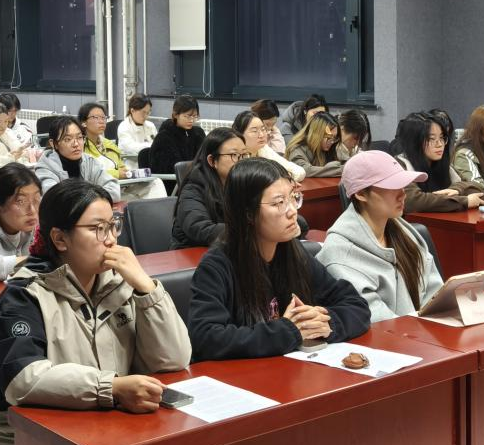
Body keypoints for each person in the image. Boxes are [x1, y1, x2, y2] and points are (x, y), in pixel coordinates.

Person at [0, 178, 191, 445]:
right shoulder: (23, 296)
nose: (111, 239)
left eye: (113, 226)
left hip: (108, 430)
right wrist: (112, 388)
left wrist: (146, 288)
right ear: (60, 239)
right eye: (97, 229)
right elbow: (22, 380)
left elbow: (173, 359)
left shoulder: (122, 284)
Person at [188, 158, 369, 361]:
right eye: (279, 203)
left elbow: (356, 305)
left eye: (293, 198)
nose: (293, 211)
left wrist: (326, 323)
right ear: (248, 214)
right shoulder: (217, 266)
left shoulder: (295, 252)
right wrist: (287, 331)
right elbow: (205, 338)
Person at [315, 151, 445, 322]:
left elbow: (436, 296)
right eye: (392, 186)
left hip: (424, 332)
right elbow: (377, 322)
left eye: (403, 185)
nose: (403, 194)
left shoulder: (405, 233)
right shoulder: (339, 255)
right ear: (361, 194)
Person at [393, 113, 484, 213]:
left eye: (442, 138)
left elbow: (481, 191)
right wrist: (463, 201)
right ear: (414, 141)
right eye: (431, 139)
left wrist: (456, 190)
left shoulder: (444, 165)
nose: (440, 144)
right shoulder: (400, 165)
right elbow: (412, 201)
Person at [170, 128, 244, 249]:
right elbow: (199, 228)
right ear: (212, 160)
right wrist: (246, 232)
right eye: (234, 155)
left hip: (228, 249)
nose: (241, 161)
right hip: (191, 253)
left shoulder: (240, 184)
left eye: (244, 154)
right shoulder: (193, 188)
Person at [81, 102, 165, 200]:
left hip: (121, 185)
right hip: (100, 190)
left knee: (156, 183)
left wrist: (126, 173)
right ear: (84, 122)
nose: (101, 121)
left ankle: (162, 210)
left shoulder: (109, 144)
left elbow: (121, 167)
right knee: (138, 200)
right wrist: (117, 174)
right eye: (96, 117)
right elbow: (88, 175)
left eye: (103, 118)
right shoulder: (80, 146)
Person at [33, 116, 121, 200]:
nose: (76, 144)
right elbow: (54, 198)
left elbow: (114, 191)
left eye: (79, 137)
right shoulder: (45, 167)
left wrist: (86, 199)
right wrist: (94, 197)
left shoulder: (90, 161)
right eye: (68, 139)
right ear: (54, 144)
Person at [231, 109, 306, 181]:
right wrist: (281, 178)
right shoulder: (235, 156)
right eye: (254, 131)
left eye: (263, 129)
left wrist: (287, 178)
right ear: (240, 134)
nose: (261, 135)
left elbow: (300, 172)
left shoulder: (263, 149)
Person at [148, 95, 205, 176]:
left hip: (195, 178)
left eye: (195, 116)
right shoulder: (163, 138)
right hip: (174, 181)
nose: (191, 120)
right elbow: (166, 170)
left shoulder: (198, 134)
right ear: (175, 114)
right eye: (187, 116)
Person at [285, 111, 344, 177]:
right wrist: (340, 170)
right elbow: (304, 171)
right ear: (316, 134)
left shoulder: (328, 148)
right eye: (329, 137)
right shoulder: (297, 149)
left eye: (335, 137)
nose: (332, 142)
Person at [117, 94, 157, 162]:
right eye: (143, 112)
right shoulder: (124, 127)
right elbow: (132, 148)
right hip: (131, 164)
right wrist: (153, 146)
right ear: (132, 111)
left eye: (148, 113)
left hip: (150, 163)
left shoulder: (151, 126)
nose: (146, 116)